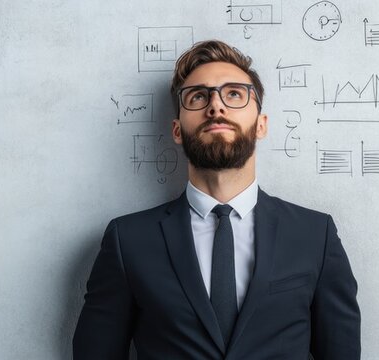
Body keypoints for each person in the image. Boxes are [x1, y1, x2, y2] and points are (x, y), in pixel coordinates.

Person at [73, 40, 361, 359]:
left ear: (261, 125)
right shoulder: (127, 241)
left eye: (234, 94)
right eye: (198, 96)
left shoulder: (314, 235)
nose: (216, 106)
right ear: (177, 130)